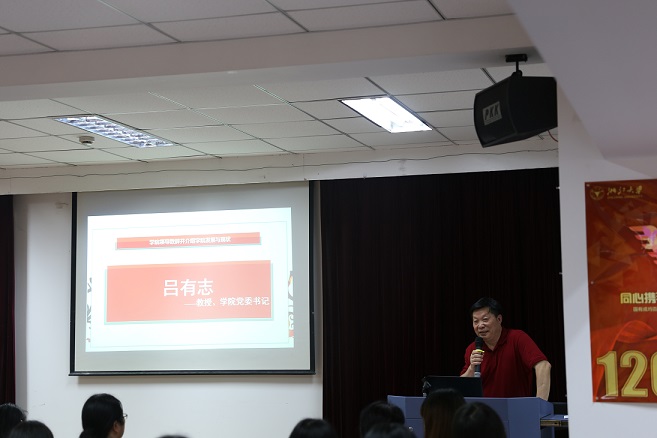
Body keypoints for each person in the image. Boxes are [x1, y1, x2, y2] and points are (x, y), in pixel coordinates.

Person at [460, 297, 551, 400]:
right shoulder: (472, 349)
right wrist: (471, 368)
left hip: (515, 408)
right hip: (483, 409)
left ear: (499, 319)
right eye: (476, 321)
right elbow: (461, 387)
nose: (480, 325)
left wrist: (539, 404)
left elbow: (543, 366)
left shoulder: (517, 338)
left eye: (485, 319)